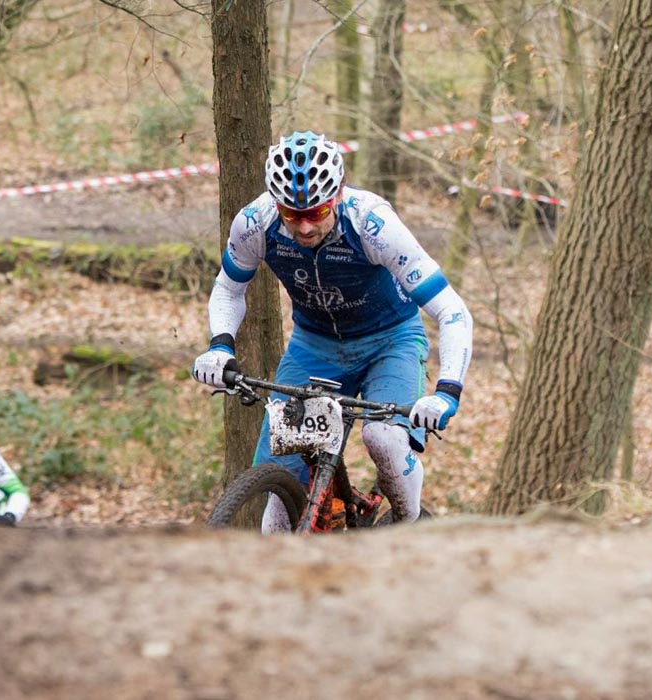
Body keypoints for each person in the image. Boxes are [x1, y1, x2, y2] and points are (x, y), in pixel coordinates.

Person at [191, 131, 473, 532]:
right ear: (276, 204)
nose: (304, 227)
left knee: (384, 440)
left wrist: (447, 391)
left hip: (390, 341)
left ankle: (407, 526)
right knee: (278, 481)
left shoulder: (373, 224)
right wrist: (220, 346)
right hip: (315, 346)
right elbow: (227, 289)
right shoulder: (256, 223)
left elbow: (452, 310)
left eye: (317, 212)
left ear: (338, 195)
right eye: (292, 215)